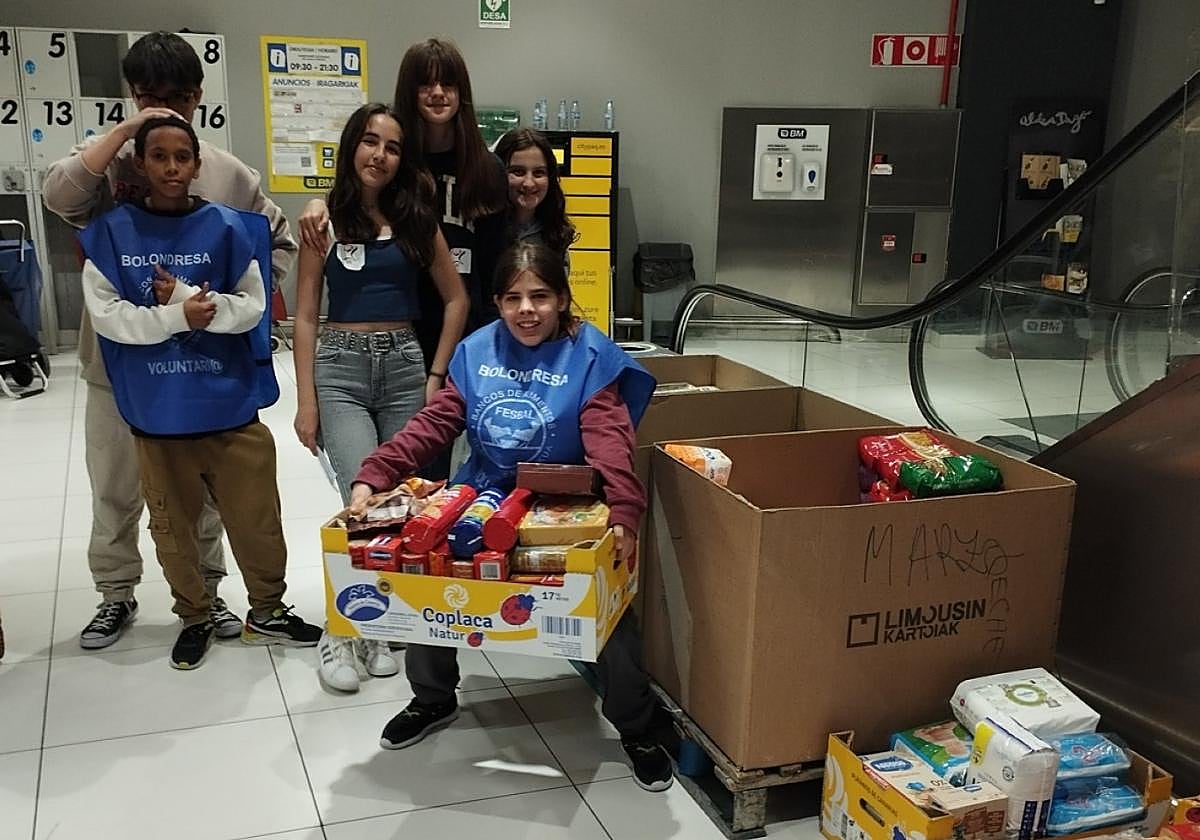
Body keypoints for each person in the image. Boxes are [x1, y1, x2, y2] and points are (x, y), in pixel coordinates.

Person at [346, 242, 674, 793]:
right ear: (496, 302)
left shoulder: (589, 355)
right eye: (514, 297)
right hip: (484, 496)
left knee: (606, 611)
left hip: (566, 508)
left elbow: (609, 439)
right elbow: (436, 422)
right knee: (429, 585)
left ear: (563, 298)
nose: (527, 309)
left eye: (541, 296)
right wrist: (376, 472)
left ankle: (636, 726)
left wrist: (623, 511)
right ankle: (431, 699)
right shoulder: (476, 352)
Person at [42, 31, 297, 649]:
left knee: (198, 494)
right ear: (133, 96)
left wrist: (212, 305)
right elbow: (57, 196)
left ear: (198, 96)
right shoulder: (110, 164)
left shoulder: (229, 175)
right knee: (116, 487)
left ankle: (206, 596)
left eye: (177, 98)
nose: (165, 111)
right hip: (117, 368)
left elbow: (275, 247)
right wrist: (124, 137)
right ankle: (115, 594)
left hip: (202, 368)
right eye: (150, 97)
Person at [77, 116, 321, 669]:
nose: (170, 168)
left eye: (181, 157)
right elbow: (110, 319)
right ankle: (195, 613)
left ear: (196, 164)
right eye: (158, 157)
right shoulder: (113, 235)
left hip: (229, 405)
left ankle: (268, 610)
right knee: (172, 526)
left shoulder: (231, 229)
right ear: (140, 164)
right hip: (158, 415)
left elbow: (253, 307)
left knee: (257, 517)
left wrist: (187, 301)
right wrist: (176, 316)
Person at [292, 103, 469, 691]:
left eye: (392, 147)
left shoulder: (416, 220)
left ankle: (379, 623)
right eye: (370, 142)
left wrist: (437, 374)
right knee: (358, 498)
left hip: (402, 369)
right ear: (351, 148)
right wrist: (307, 399)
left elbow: (456, 299)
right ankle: (340, 634)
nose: (380, 155)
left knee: (397, 502)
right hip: (340, 367)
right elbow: (307, 314)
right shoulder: (324, 221)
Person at [298, 39, 507, 417]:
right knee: (412, 464)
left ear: (464, 92)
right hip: (408, 326)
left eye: (449, 83)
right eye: (426, 84)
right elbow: (357, 199)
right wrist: (319, 203)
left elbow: (498, 262)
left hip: (467, 327)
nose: (438, 93)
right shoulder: (399, 159)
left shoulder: (486, 168)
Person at [494, 128, 577, 260]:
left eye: (539, 173)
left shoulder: (555, 236)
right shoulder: (483, 232)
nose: (529, 183)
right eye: (518, 172)